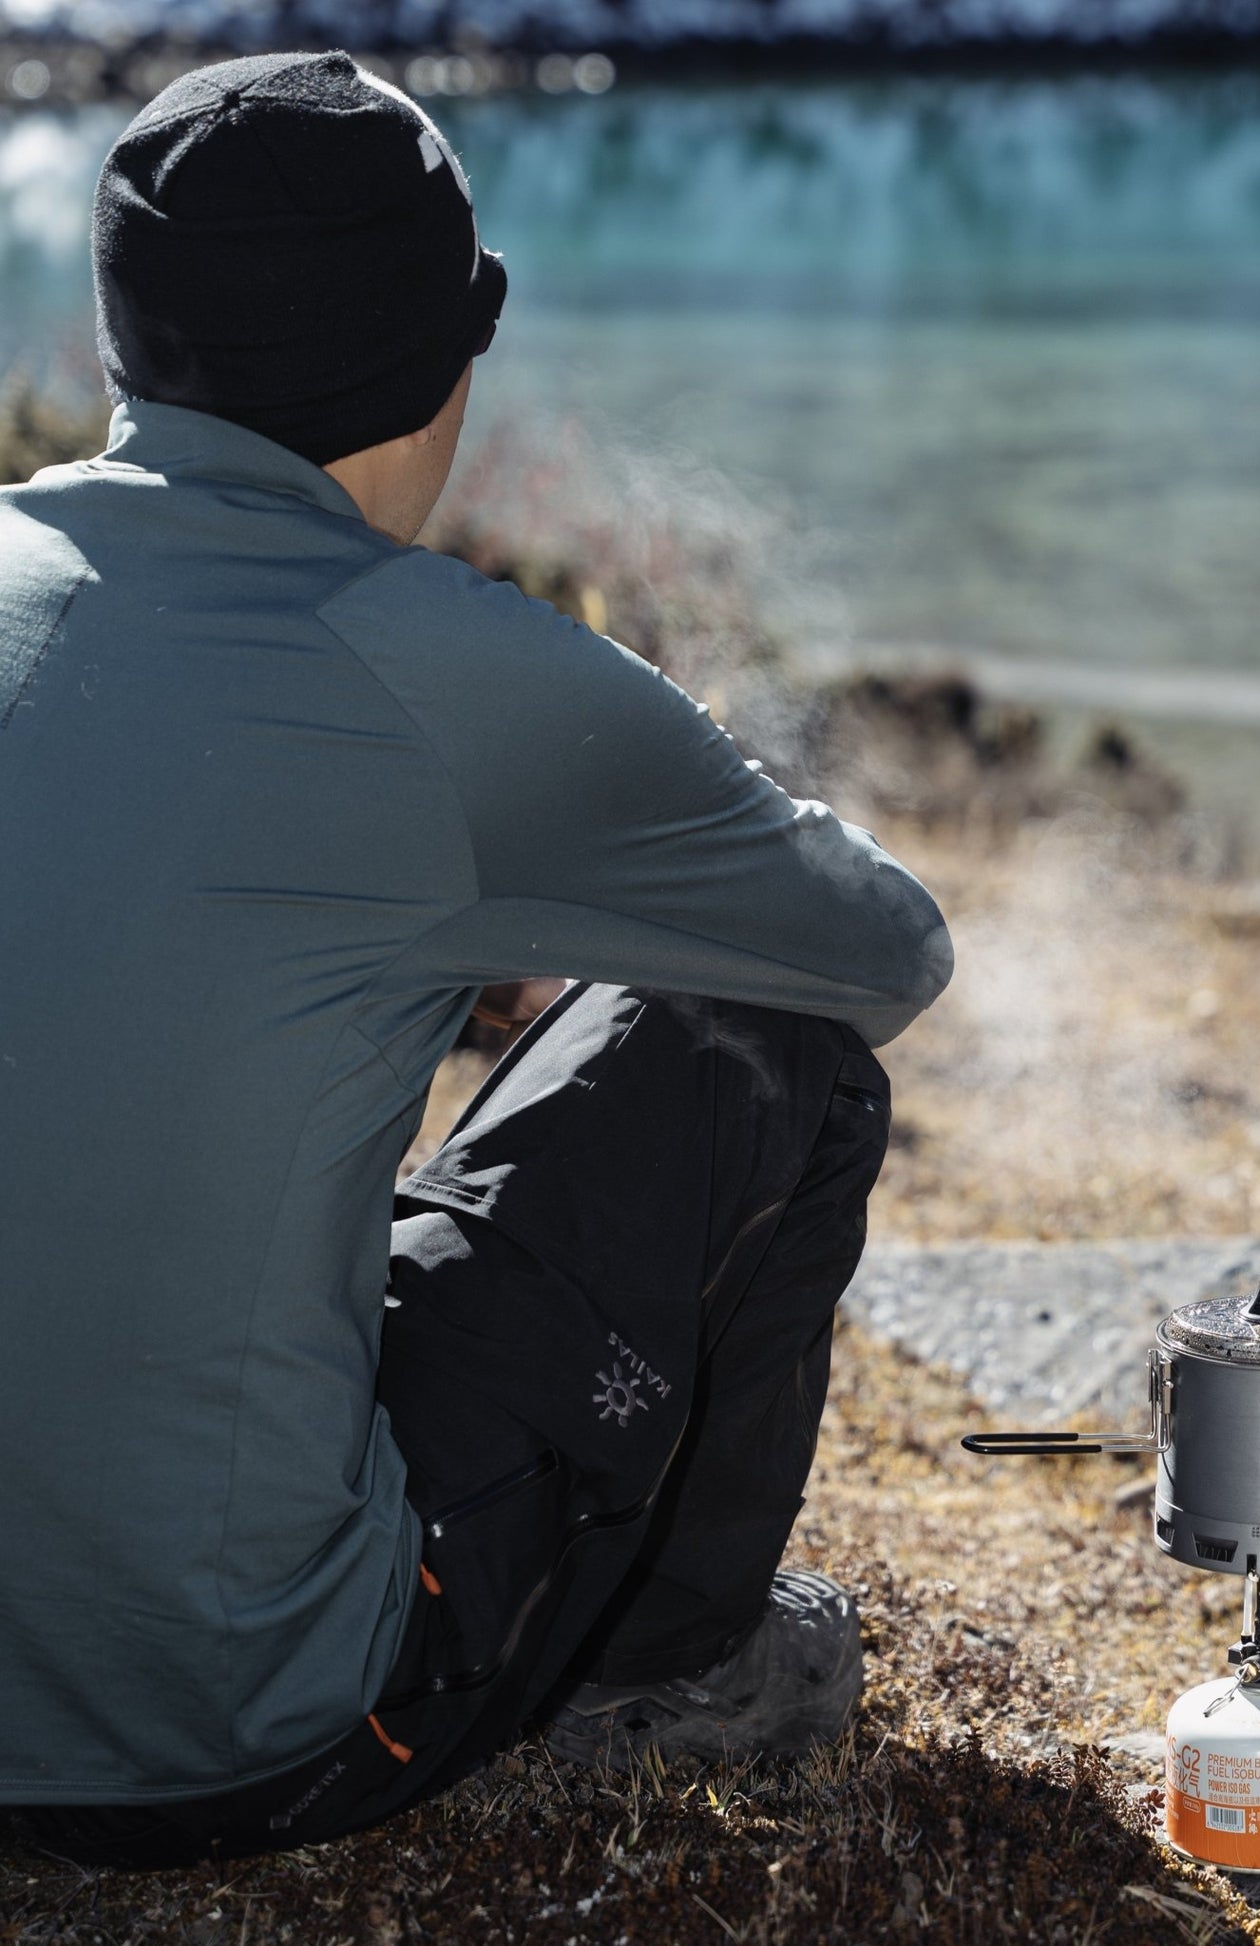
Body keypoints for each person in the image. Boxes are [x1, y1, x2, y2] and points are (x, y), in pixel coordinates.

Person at [0, 51, 951, 1867]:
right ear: (447, 362)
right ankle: (665, 1668)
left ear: (123, 340)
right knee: (756, 1038)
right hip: (236, 1720)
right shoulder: (445, 669)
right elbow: (878, 951)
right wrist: (544, 921)